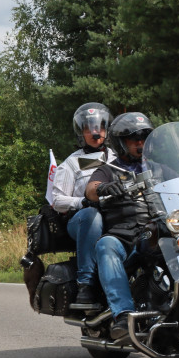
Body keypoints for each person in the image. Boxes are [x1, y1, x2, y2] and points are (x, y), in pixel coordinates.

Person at [86, 112, 155, 339]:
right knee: (106, 245)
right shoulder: (109, 169)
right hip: (126, 236)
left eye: (144, 137)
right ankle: (124, 315)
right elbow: (91, 188)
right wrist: (103, 189)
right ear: (121, 143)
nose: (140, 143)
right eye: (134, 138)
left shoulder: (159, 168)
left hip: (159, 230)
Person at [50, 102, 114, 311]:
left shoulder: (117, 157)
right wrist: (82, 202)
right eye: (90, 128)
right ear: (82, 132)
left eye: (100, 127)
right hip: (81, 220)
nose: (96, 133)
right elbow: (57, 200)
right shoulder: (71, 163)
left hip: (115, 216)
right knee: (91, 215)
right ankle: (86, 283)